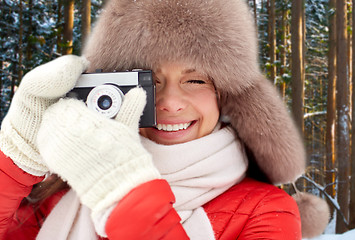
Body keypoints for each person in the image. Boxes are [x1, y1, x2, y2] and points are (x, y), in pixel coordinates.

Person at [0, 0, 329, 239]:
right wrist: (16, 157)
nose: (170, 102)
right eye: (149, 81)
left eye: (196, 80)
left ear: (225, 96)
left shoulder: (267, 210)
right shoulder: (63, 193)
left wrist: (126, 198)